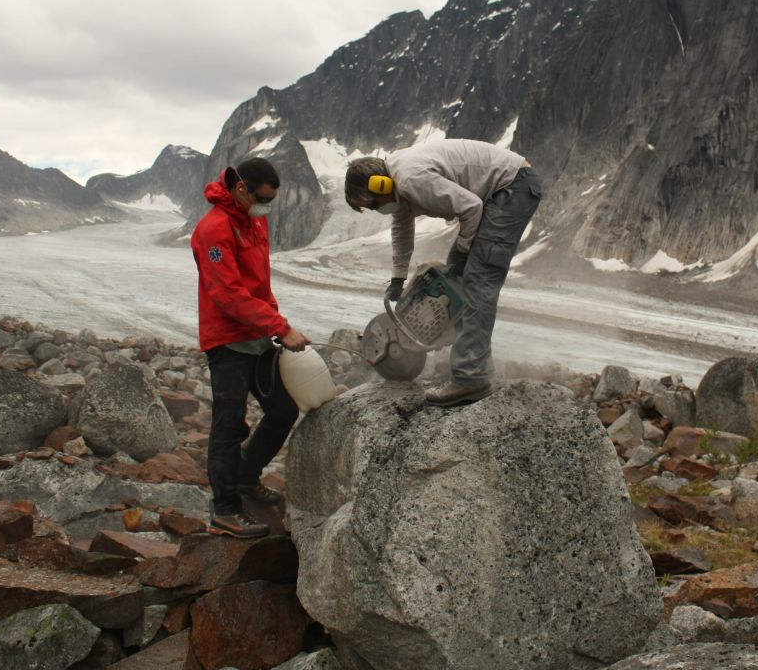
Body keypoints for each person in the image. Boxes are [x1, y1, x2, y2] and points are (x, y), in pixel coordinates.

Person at [344, 138, 542, 406]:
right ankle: (477, 366)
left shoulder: (409, 179)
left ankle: (470, 378)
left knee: (477, 280)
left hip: (512, 187)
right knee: (453, 281)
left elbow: (471, 207)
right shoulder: (400, 183)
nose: (377, 210)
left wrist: (462, 248)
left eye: (373, 204)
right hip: (502, 190)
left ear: (380, 184)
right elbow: (401, 230)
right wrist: (397, 277)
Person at [191, 157, 311, 538]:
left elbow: (258, 282)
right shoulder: (214, 229)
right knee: (229, 424)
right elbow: (227, 294)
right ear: (241, 189)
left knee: (282, 410)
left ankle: (245, 475)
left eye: (271, 201)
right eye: (262, 199)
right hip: (227, 340)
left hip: (258, 336)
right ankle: (225, 511)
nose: (267, 208)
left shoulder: (254, 218)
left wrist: (271, 322)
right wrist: (280, 326)